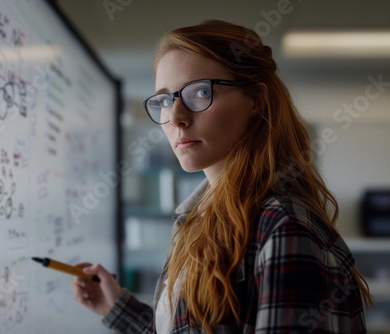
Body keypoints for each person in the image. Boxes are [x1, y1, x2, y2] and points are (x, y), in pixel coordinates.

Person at [70, 19, 373, 333]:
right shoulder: (198, 218)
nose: (175, 117)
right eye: (164, 100)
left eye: (200, 92)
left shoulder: (282, 226)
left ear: (255, 100)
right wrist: (116, 306)